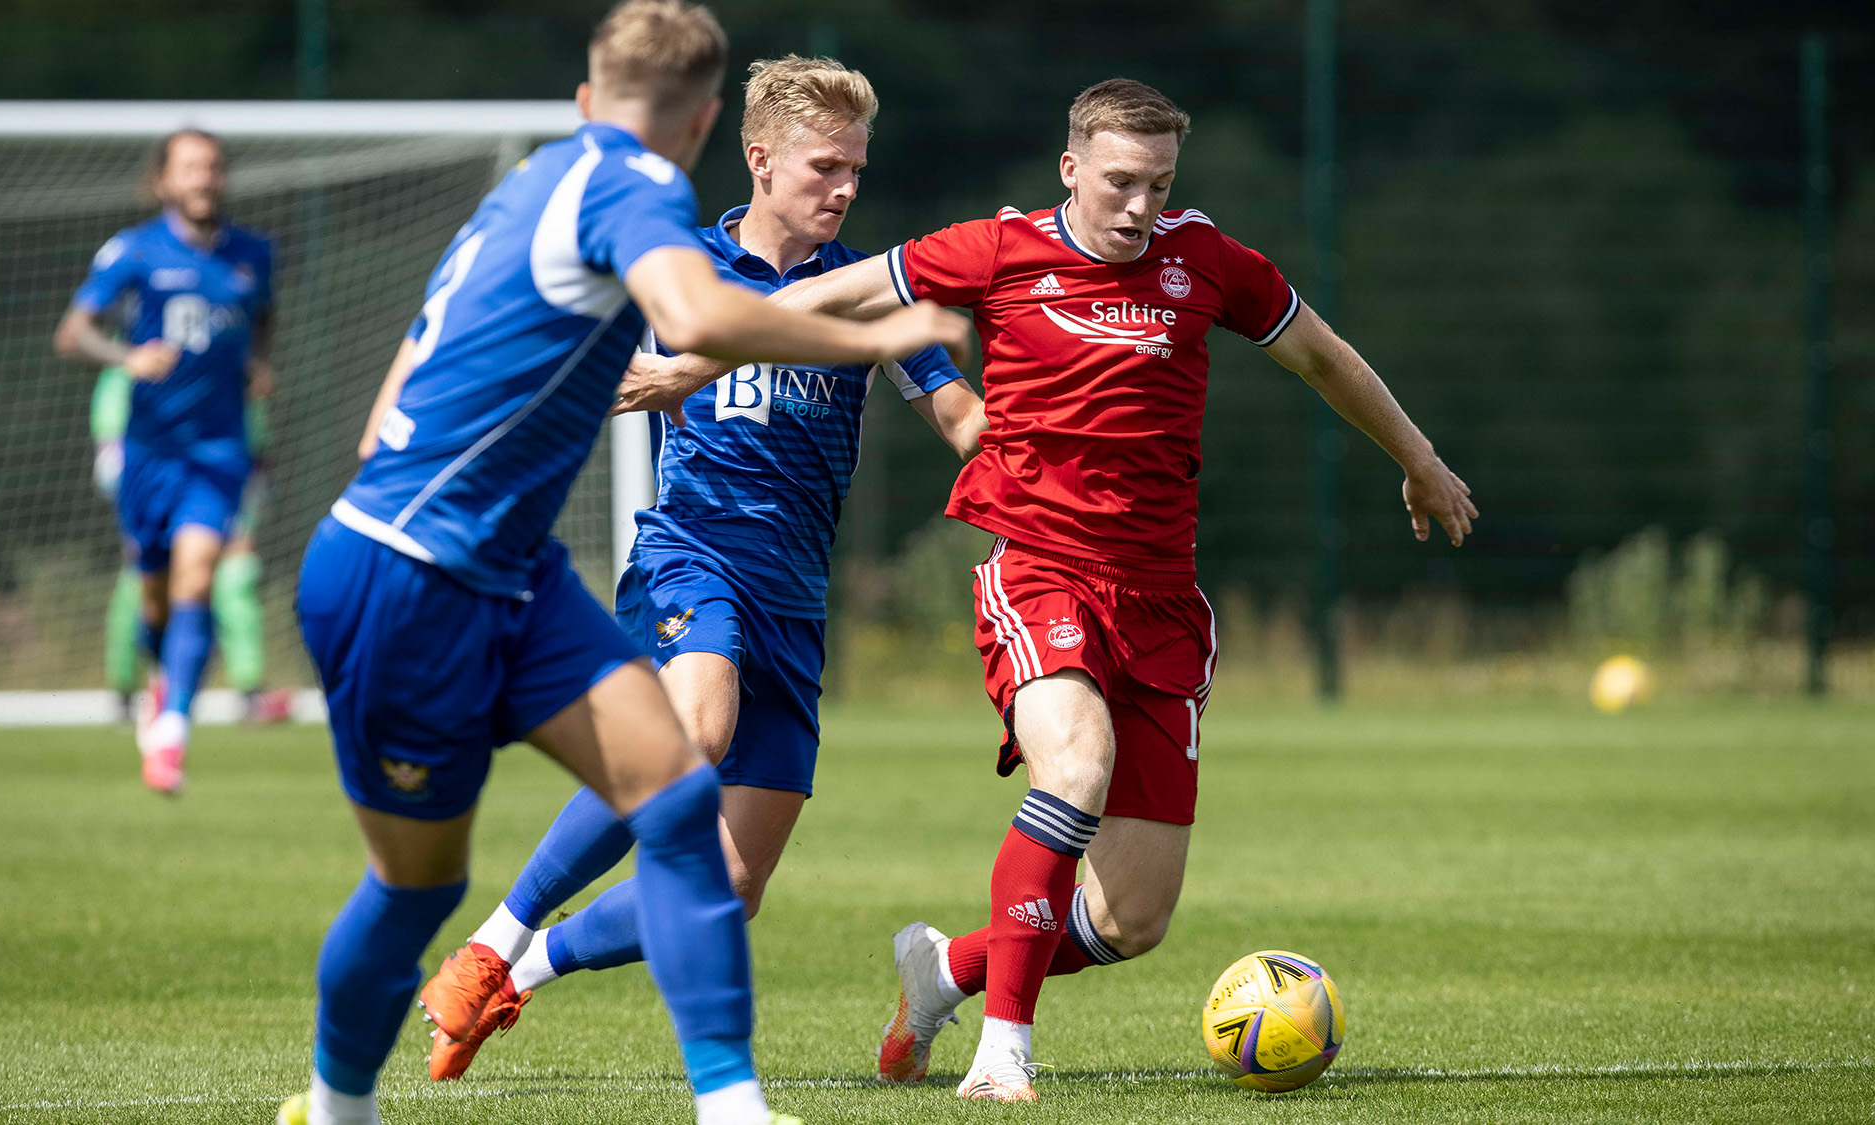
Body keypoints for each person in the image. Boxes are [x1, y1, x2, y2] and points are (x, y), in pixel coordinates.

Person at [616, 77, 1479, 1102]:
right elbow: (830, 296)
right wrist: (691, 362)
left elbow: (1322, 358)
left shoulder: (1203, 262)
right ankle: (1001, 1054)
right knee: (1072, 763)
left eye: (1158, 185)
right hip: (1037, 573)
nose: (1137, 206)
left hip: (1159, 603)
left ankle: (944, 975)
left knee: (1129, 921)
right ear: (1070, 169)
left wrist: (1420, 459)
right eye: (1118, 182)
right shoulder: (995, 249)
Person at [274, 4, 971, 1124]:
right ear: (742, 147)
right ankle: (539, 992)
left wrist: (1007, 444)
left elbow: (952, 408)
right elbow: (659, 336)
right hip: (687, 554)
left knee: (731, 886)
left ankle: (516, 968)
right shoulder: (661, 244)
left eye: (855, 169)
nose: (841, 186)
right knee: (685, 742)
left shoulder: (853, 277)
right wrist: (824, 340)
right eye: (821, 165)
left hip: (790, 594)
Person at [54, 128, 278, 794]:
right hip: (148, 454)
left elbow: (264, 316)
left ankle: (172, 731)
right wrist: (127, 358)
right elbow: (74, 331)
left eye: (211, 167)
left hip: (219, 450)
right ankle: (163, 683)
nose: (203, 179)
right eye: (189, 169)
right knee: (153, 594)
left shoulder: (255, 255)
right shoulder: (135, 251)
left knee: (198, 577)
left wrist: (258, 362)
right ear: (163, 181)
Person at [92, 366, 291, 726]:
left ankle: (248, 691)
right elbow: (111, 449)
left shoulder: (230, 344)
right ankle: (128, 689)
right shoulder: (134, 358)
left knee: (235, 572)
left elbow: (254, 435)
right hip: (151, 475)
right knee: (143, 579)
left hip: (217, 477)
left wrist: (250, 496)